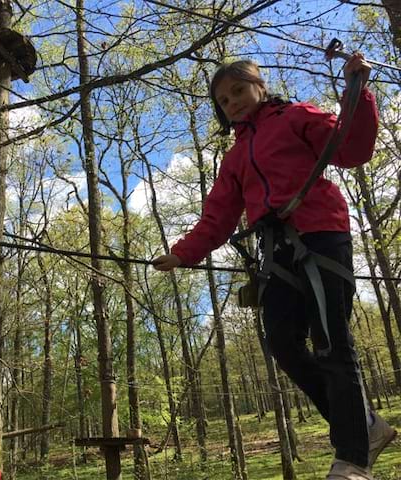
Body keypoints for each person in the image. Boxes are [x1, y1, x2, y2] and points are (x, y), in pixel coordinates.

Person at [152, 53, 396, 480]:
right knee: (283, 343)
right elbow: (217, 218)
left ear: (259, 87)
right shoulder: (234, 159)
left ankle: (354, 457)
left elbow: (351, 149)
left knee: (331, 343)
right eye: (224, 100)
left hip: (321, 236)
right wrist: (181, 253)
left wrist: (358, 93)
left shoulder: (296, 116)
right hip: (277, 253)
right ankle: (367, 425)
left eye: (239, 91)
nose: (233, 103)